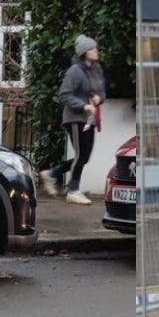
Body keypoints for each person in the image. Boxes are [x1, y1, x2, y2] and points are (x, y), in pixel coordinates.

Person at [45, 34, 106, 204]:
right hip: (75, 118)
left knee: (85, 156)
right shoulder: (75, 71)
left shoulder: (96, 69)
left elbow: (102, 92)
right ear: (84, 52)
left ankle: (52, 174)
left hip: (89, 119)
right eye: (92, 48)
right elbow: (64, 95)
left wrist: (98, 99)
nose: (96, 51)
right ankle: (73, 190)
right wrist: (84, 105)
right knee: (80, 153)